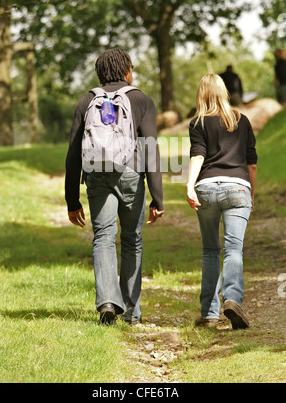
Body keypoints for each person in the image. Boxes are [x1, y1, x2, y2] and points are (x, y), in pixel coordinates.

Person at [65, 48, 164, 325]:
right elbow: (150, 150)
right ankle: (131, 311)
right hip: (131, 172)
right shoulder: (141, 100)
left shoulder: (87, 101)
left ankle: (107, 301)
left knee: (104, 237)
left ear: (100, 72)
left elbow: (73, 155)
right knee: (132, 238)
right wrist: (158, 198)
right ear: (126, 70)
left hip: (96, 174)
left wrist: (71, 200)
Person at [186, 74, 257, 329]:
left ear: (201, 94)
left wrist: (189, 184)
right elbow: (251, 162)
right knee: (233, 249)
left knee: (210, 250)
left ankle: (208, 314)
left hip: (206, 188)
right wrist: (251, 194)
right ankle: (233, 301)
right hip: (238, 187)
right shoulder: (242, 120)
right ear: (224, 92)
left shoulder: (198, 122)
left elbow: (198, 155)